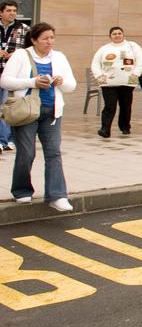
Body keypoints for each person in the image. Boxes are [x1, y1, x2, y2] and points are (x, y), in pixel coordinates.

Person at [2, 22, 77, 211]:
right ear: (34, 40)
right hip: (27, 112)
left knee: (53, 153)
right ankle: (21, 190)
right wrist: (33, 82)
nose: (49, 41)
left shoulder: (59, 57)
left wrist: (61, 82)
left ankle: (57, 195)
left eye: (52, 37)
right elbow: (5, 81)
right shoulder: (21, 55)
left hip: (52, 112)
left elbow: (71, 85)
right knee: (26, 153)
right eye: (45, 38)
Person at [91, 25, 142, 138]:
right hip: (109, 83)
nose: (117, 35)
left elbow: (141, 60)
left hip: (127, 82)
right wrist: (100, 76)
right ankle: (105, 129)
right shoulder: (104, 49)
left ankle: (125, 127)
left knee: (126, 105)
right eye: (114, 34)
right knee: (109, 106)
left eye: (119, 33)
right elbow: (95, 64)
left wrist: (135, 74)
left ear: (123, 34)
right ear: (110, 36)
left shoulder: (132, 46)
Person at [0, 0, 27, 154]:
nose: (12, 13)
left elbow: (30, 49)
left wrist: (17, 55)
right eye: (9, 10)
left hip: (11, 75)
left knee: (8, 108)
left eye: (14, 11)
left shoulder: (24, 28)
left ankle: (7, 140)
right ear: (1, 12)